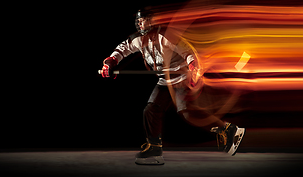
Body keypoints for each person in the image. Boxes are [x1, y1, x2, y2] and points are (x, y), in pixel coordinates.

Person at [100, 10, 245, 165]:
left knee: (187, 113)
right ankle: (154, 149)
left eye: (144, 20)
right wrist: (111, 63)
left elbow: (188, 52)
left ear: (152, 21)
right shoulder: (138, 39)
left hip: (182, 78)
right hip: (165, 80)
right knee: (151, 109)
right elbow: (121, 50)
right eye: (139, 21)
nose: (141, 24)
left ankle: (228, 129)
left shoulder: (166, 36)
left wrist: (193, 67)